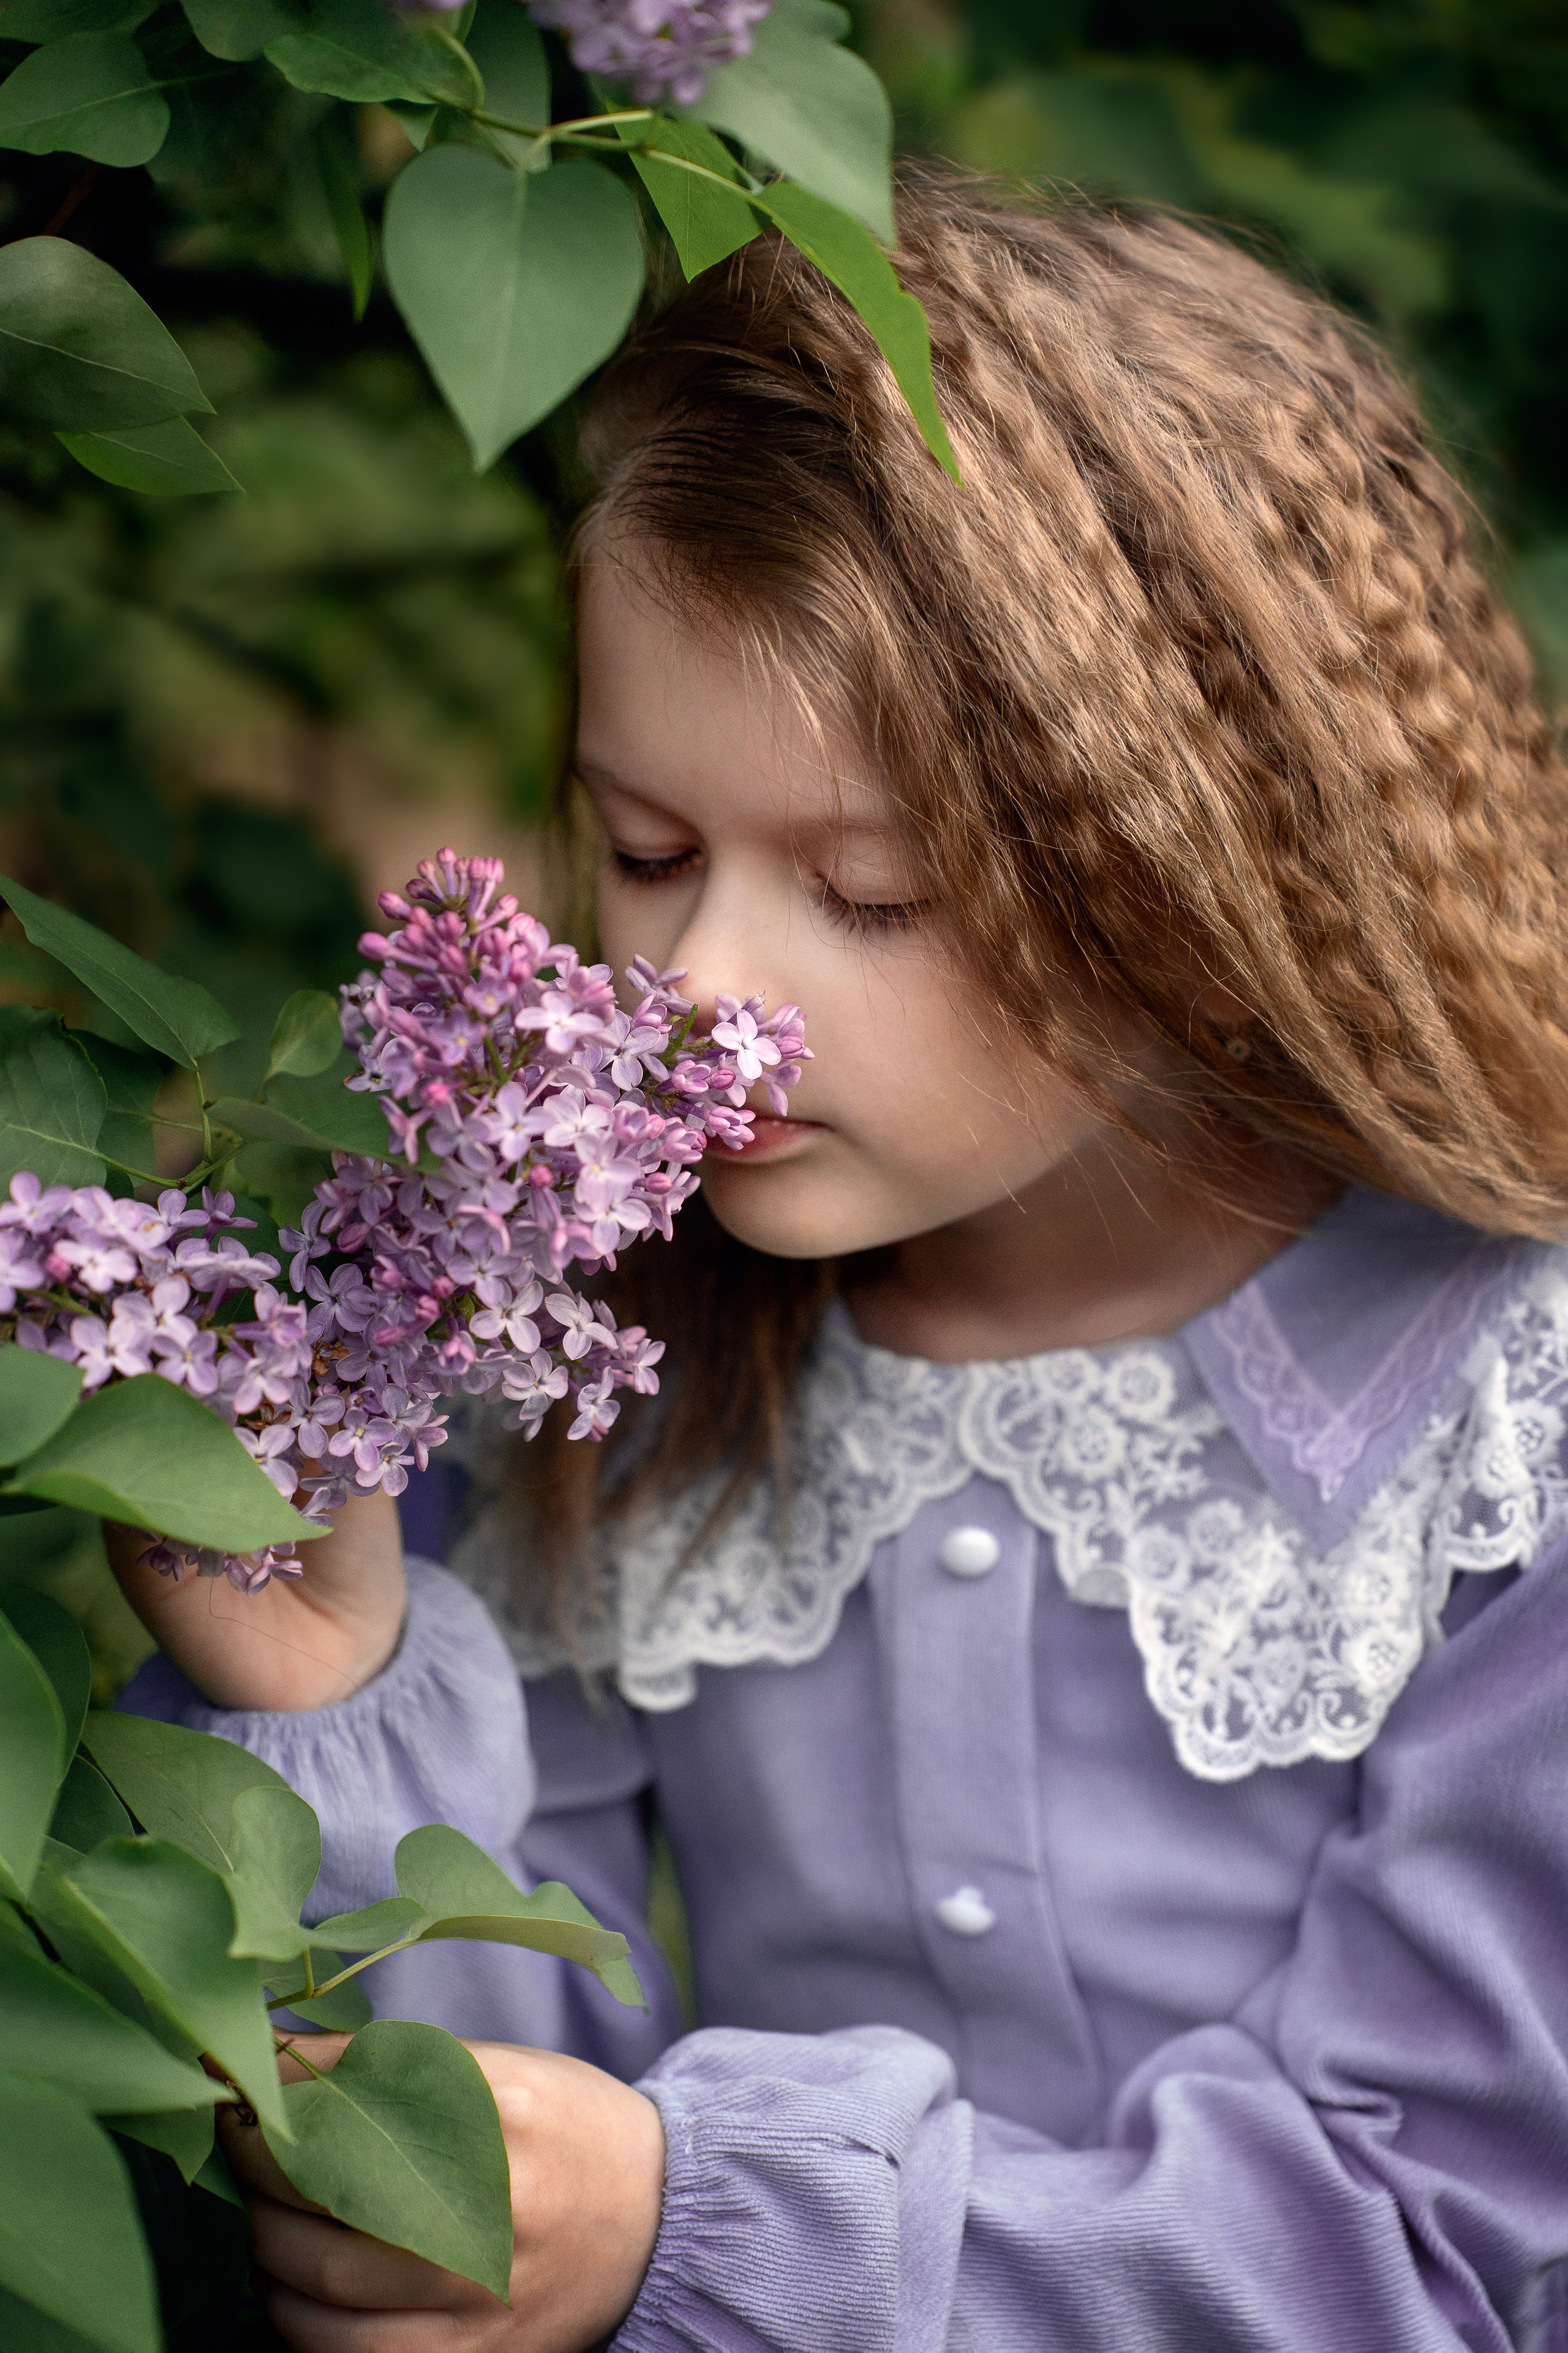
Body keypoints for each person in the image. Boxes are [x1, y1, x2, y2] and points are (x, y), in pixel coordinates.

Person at [112, 173, 1568, 2351]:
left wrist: (705, 2225)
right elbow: (474, 2159)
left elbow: (1438, 2235)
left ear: (1215, 871)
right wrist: (334, 1701)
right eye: (647, 851)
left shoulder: (1509, 1422)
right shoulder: (595, 1355)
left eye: (872, 892)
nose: (697, 994)